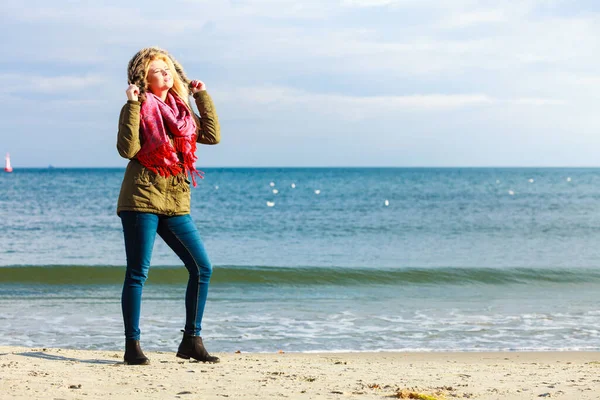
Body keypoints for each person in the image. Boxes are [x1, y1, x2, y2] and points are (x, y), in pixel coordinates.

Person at [116, 47, 220, 365]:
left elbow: (212, 136)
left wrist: (201, 97)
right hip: (141, 197)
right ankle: (132, 347)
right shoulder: (136, 106)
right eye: (157, 70)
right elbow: (127, 149)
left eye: (167, 69)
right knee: (138, 272)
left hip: (175, 199)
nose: (165, 73)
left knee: (202, 267)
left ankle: (191, 340)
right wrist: (134, 105)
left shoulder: (181, 110)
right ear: (143, 77)